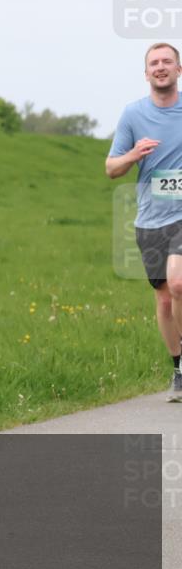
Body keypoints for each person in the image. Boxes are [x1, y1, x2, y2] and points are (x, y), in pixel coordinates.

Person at [106, 42, 182, 403]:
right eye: (154, 63)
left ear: (179, 70)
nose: (160, 66)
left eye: (167, 61)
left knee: (179, 282)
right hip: (150, 219)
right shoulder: (133, 115)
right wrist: (134, 154)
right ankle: (178, 368)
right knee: (165, 300)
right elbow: (111, 168)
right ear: (146, 73)